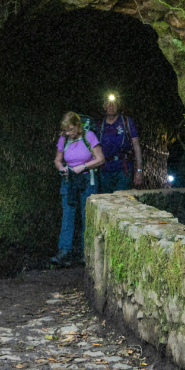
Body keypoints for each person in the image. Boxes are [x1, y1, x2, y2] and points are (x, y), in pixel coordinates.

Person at [53, 111, 104, 265]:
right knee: (68, 215)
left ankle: (86, 252)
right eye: (65, 131)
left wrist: (83, 166)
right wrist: (61, 168)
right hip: (69, 180)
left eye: (71, 130)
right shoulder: (64, 139)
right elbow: (57, 160)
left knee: (86, 215)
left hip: (87, 179)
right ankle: (64, 250)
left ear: (77, 126)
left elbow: (100, 159)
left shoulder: (89, 137)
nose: (68, 133)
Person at [97, 95, 142, 192]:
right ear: (104, 106)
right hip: (105, 170)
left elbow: (136, 146)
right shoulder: (100, 125)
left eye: (114, 104)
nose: (111, 106)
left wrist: (139, 170)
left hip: (124, 169)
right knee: (106, 202)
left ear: (118, 106)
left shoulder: (126, 122)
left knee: (122, 200)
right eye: (108, 104)